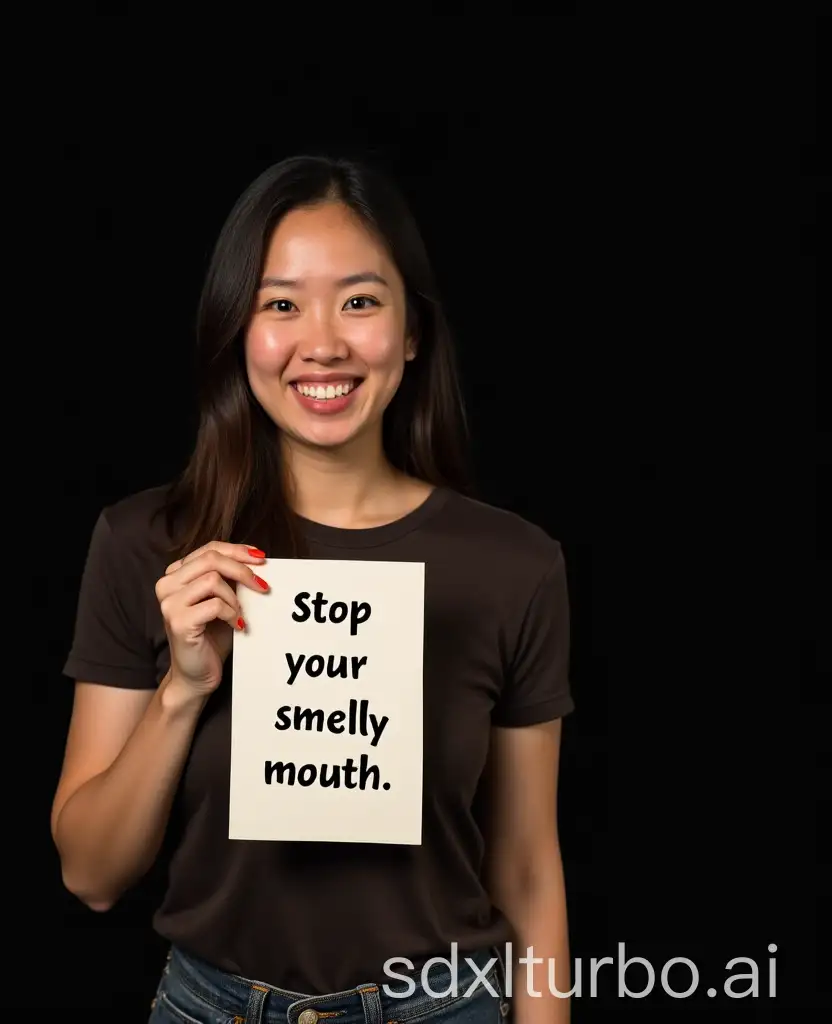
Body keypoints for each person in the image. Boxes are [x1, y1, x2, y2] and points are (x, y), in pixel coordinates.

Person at [51, 154, 575, 1024]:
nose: (322, 342)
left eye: (361, 301)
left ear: (412, 333)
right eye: (281, 303)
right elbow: (91, 875)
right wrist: (183, 690)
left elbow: (526, 866)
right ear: (237, 329)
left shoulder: (514, 565)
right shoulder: (143, 545)